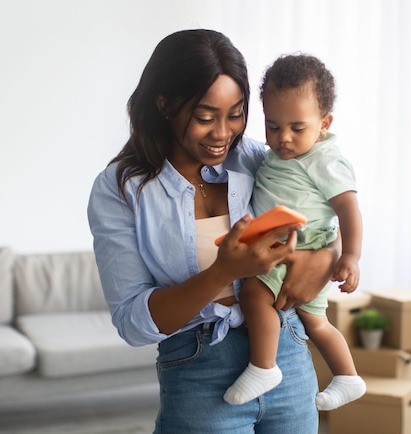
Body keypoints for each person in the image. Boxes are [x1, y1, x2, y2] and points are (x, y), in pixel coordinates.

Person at [87, 29, 341, 434]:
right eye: (205, 117)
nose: (223, 133)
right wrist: (223, 272)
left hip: (287, 353)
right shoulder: (123, 189)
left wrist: (326, 258)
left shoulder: (261, 160)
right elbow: (132, 322)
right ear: (164, 104)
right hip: (198, 370)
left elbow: (327, 212)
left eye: (236, 114)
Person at [223, 54, 366, 412]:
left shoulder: (323, 159)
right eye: (273, 126)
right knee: (317, 322)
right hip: (287, 242)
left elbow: (349, 209)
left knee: (254, 294)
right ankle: (348, 376)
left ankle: (264, 367)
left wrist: (349, 256)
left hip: (301, 244)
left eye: (297, 128)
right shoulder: (273, 155)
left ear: (324, 123)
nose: (283, 138)